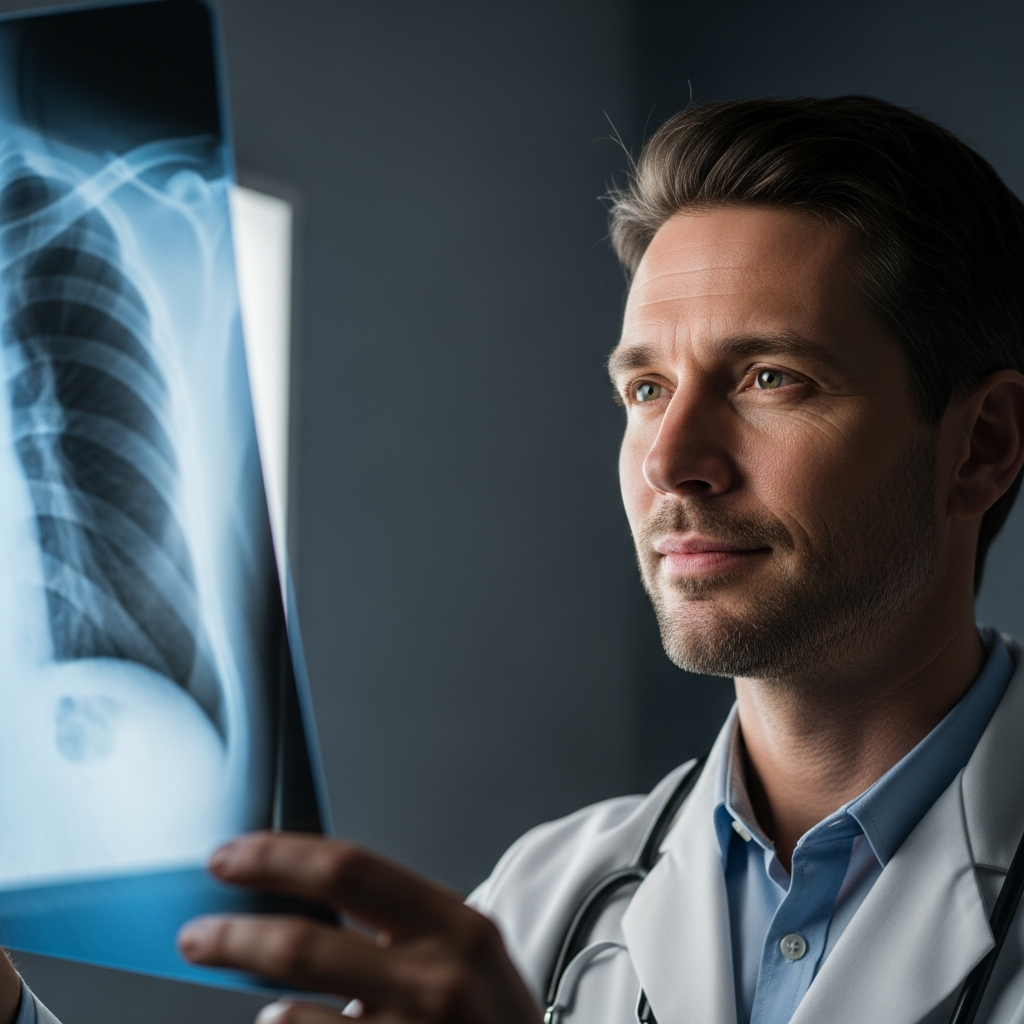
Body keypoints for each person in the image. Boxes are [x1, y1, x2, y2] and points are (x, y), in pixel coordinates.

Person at [5, 93, 1024, 1024]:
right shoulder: (552, 898)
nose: (669, 461)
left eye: (769, 377)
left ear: (980, 445)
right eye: (647, 390)